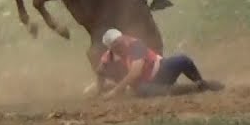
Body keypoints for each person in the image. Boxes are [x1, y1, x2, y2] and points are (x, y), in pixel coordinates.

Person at [89, 28, 223, 98]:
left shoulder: (135, 45)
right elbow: (100, 70)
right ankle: (197, 88)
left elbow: (135, 72)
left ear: (123, 37)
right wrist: (99, 89)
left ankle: (199, 82)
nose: (120, 44)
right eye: (116, 44)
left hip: (161, 70)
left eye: (120, 40)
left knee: (182, 59)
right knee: (144, 90)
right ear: (111, 47)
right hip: (146, 84)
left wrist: (115, 92)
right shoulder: (110, 55)